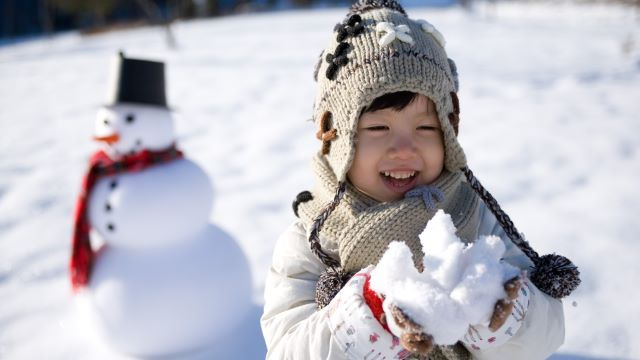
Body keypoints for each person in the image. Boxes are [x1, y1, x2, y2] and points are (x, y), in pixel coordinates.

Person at [261, 1, 576, 359]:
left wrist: (504, 313)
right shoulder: (312, 240)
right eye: (379, 127)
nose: (404, 148)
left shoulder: (470, 213)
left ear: (449, 133)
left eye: (426, 127)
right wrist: (367, 314)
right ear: (335, 136)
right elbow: (288, 351)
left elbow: (547, 333)